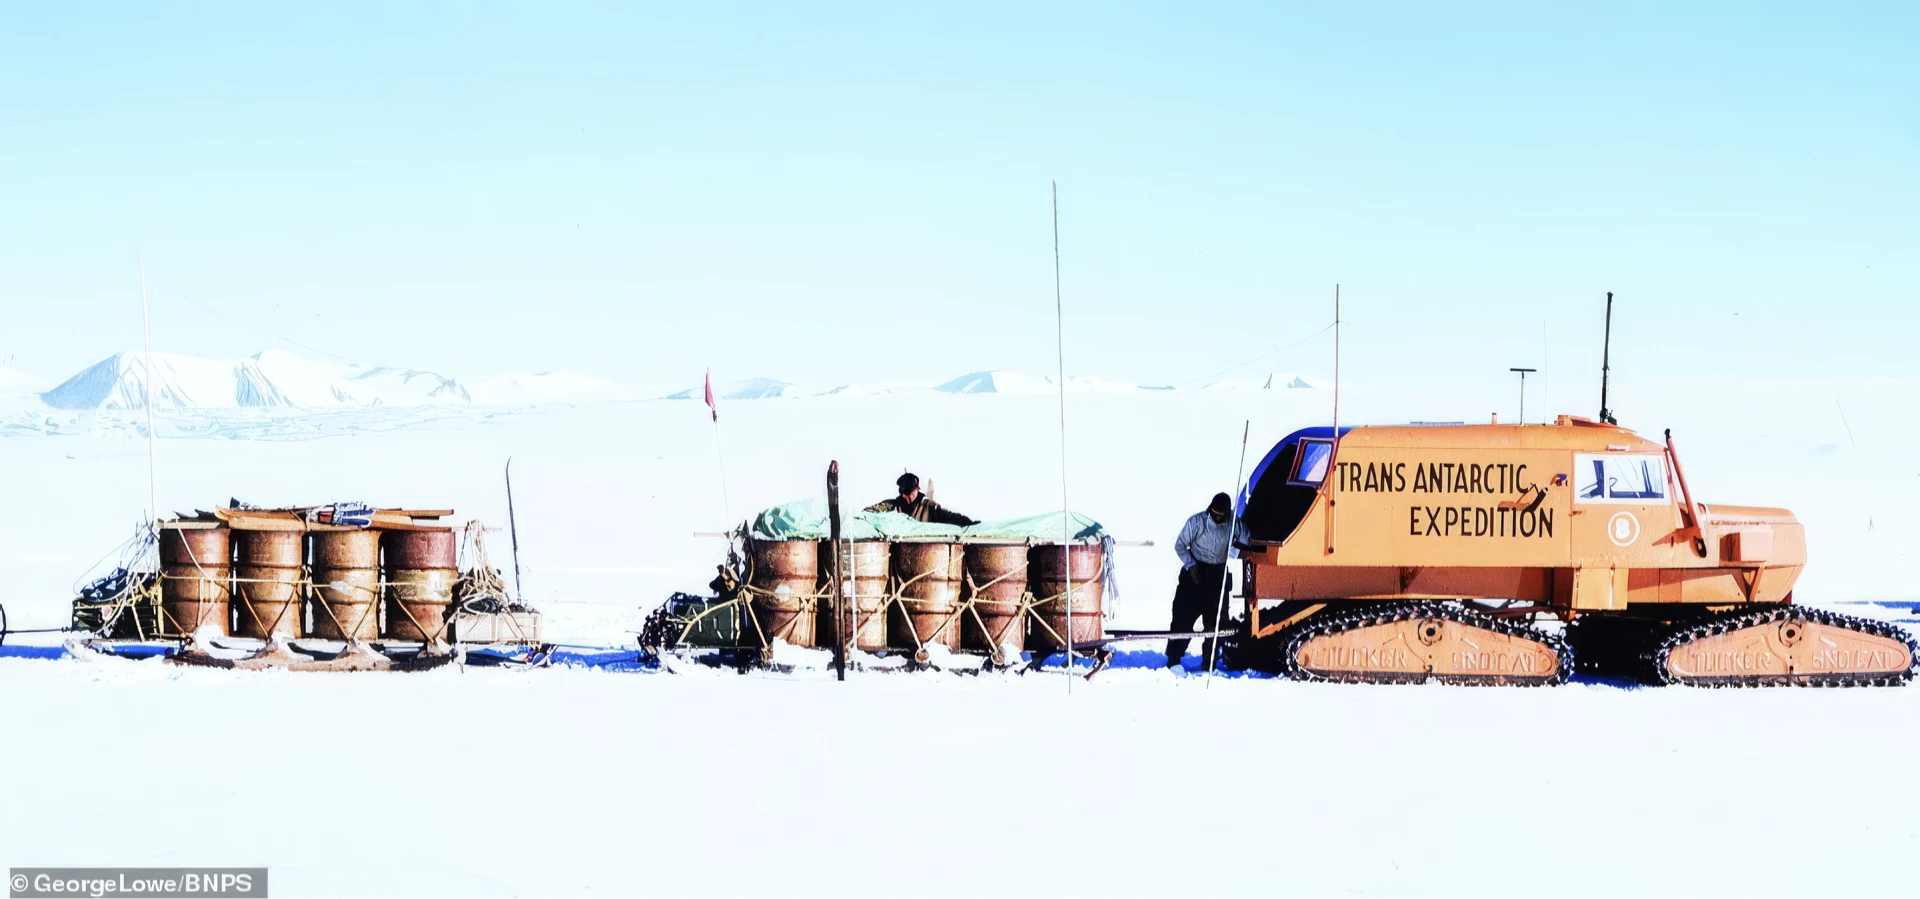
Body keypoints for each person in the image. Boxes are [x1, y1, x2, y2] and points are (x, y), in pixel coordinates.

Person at [1166, 492, 1248, 670]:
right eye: (1215, 514)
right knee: (1183, 618)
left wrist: (1239, 544)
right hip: (1194, 573)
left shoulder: (1233, 523)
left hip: (1218, 574)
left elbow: (1247, 539)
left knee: (1216, 622)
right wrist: (1191, 565)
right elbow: (1179, 545)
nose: (1218, 518)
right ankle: (1173, 659)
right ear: (1210, 510)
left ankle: (1209, 662)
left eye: (1221, 515)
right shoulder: (1196, 522)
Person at [866, 472, 977, 526]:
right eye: (904, 494)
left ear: (917, 489)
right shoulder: (894, 505)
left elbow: (951, 517)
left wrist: (970, 523)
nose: (906, 498)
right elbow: (872, 510)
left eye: (909, 493)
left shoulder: (930, 508)